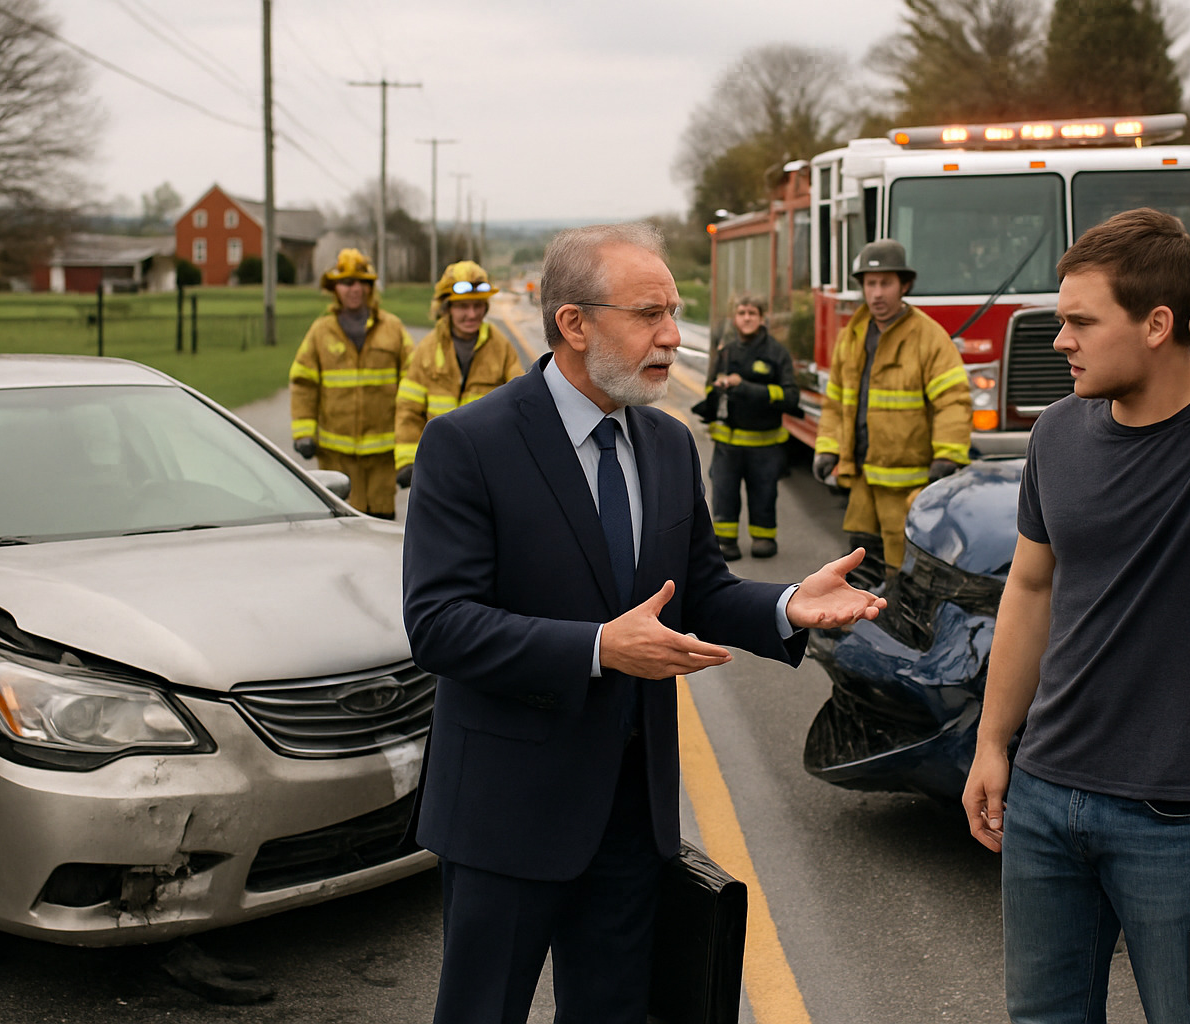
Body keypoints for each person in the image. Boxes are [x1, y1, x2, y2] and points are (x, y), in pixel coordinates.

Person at [401, 222, 887, 1024]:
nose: (671, 337)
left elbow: (692, 588)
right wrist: (597, 648)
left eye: (673, 312)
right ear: (574, 324)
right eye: (649, 315)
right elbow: (440, 624)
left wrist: (783, 603)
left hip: (632, 819)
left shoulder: (665, 444)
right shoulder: (469, 444)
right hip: (506, 814)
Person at [960, 208, 1190, 1023]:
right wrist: (994, 741)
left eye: (1080, 322)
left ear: (1159, 324)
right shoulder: (1057, 432)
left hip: (1178, 815)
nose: (1060, 340)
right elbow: (1031, 589)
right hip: (1048, 794)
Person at [812, 238, 971, 572]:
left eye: (886, 283)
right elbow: (835, 403)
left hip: (907, 486)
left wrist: (948, 454)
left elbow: (953, 400)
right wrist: (827, 448)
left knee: (903, 566)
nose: (877, 293)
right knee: (860, 561)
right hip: (861, 480)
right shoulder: (852, 335)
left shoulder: (929, 337)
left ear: (904, 285)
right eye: (871, 284)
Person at [288, 248, 412, 518]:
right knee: (340, 526)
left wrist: (410, 449)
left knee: (380, 524)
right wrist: (304, 432)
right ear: (335, 288)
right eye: (346, 282)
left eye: (360, 282)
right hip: (335, 457)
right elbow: (303, 383)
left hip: (382, 458)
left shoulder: (393, 329)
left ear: (369, 287)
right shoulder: (321, 331)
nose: (353, 289)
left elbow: (413, 387)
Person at [395, 260, 524, 488]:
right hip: (438, 469)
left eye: (477, 305)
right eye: (462, 306)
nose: (471, 314)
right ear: (446, 308)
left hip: (488, 470)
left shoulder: (501, 347)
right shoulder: (427, 349)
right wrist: (407, 460)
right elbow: (408, 410)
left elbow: (521, 407)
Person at [690, 294, 800, 560]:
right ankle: (726, 540)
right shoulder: (725, 352)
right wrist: (714, 395)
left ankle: (763, 537)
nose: (747, 317)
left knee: (763, 494)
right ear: (735, 318)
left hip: (765, 445)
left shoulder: (776, 353)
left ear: (762, 319)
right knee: (724, 494)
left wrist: (748, 388)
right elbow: (709, 385)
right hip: (727, 444)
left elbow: (790, 397)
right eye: (742, 313)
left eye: (752, 313)